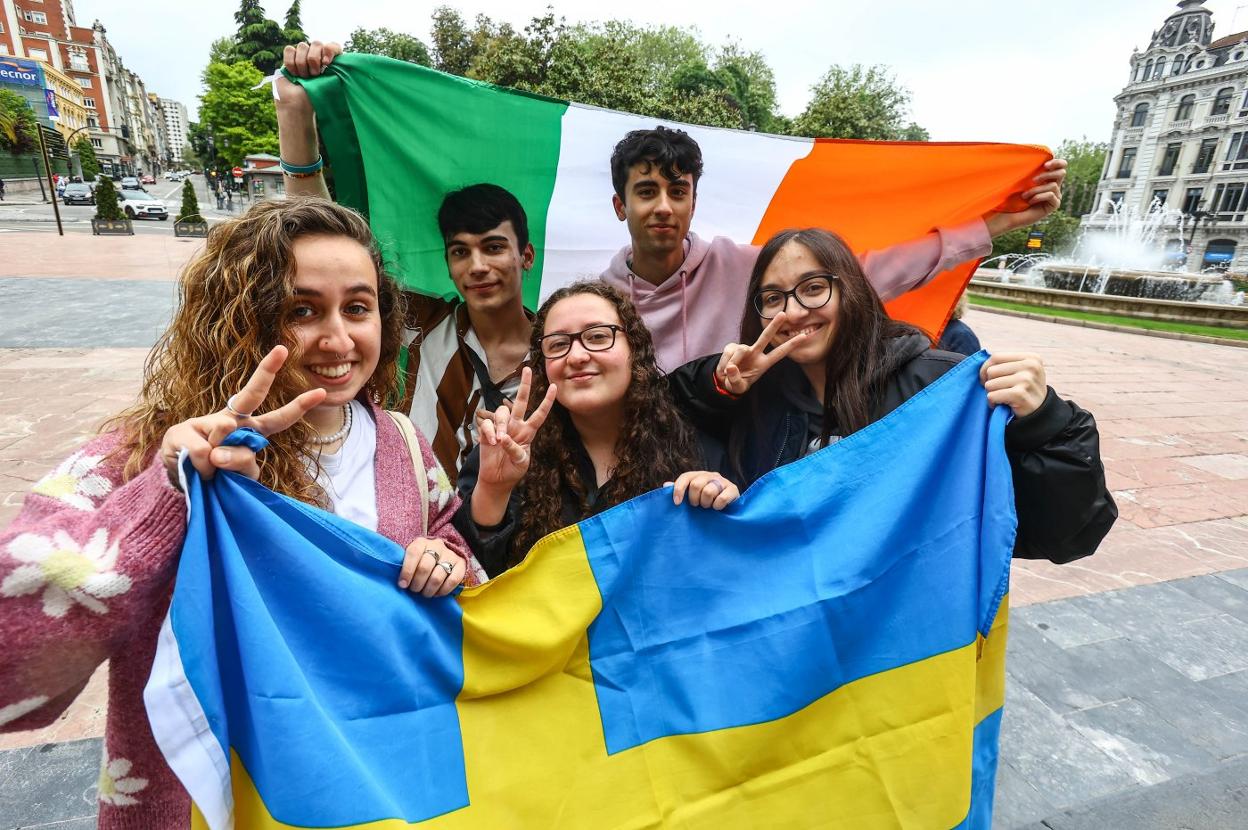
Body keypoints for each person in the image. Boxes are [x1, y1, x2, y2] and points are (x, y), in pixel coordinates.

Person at [0, 197, 481, 828]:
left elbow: (451, 545)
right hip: (204, 798)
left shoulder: (403, 444)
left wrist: (446, 559)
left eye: (357, 308)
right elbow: (12, 662)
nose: (338, 339)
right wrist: (165, 497)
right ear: (241, 320)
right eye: (301, 310)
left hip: (368, 788)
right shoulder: (144, 452)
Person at [669, 228, 1117, 564]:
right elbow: (660, 411)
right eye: (773, 297)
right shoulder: (754, 396)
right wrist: (719, 382)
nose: (792, 311)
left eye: (813, 288)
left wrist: (1046, 420)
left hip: (893, 645)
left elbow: (1069, 533)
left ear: (852, 290)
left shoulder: (941, 387)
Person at [601, 126, 1071, 370]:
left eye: (677, 191)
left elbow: (868, 273)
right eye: (646, 191)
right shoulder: (600, 301)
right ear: (621, 205)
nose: (663, 206)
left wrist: (995, 223)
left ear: (693, 202)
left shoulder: (746, 267)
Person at [276, 47, 536, 483]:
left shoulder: (560, 354)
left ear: (525, 256)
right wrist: (294, 114)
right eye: (460, 251)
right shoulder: (417, 320)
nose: (476, 266)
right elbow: (321, 255)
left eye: (493, 248)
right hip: (403, 525)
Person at [455, 281, 739, 575]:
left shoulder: (695, 449)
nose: (577, 356)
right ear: (543, 365)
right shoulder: (505, 451)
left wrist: (725, 509)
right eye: (559, 344)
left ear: (635, 348)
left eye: (598, 336)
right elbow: (469, 582)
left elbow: (729, 574)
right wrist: (492, 490)